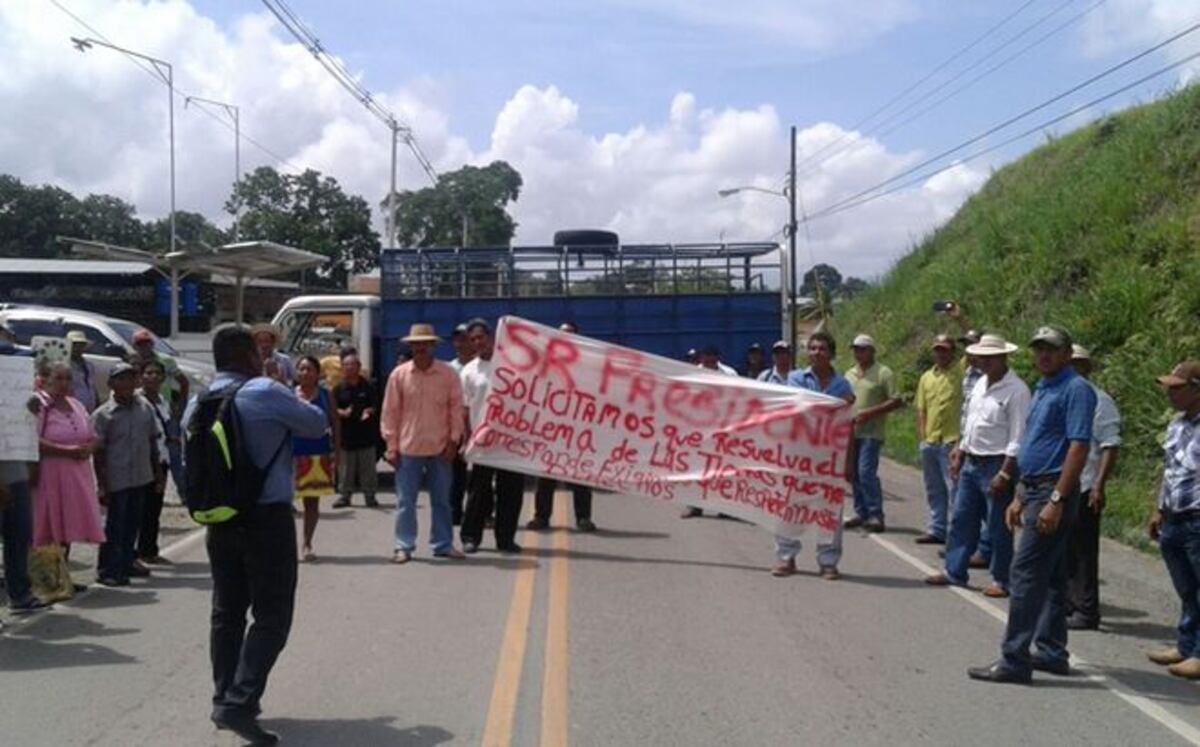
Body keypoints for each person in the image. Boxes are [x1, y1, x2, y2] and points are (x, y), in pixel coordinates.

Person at [189, 327, 328, 744]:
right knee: (272, 616)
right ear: (249, 355)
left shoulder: (199, 400)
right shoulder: (265, 390)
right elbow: (316, 424)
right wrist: (283, 387)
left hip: (220, 519)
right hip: (266, 518)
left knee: (226, 612)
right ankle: (240, 701)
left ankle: (223, 697)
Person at [968, 326, 1096, 684]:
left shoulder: (1076, 389)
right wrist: (1020, 492)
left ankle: (1014, 659)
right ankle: (1052, 651)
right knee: (1052, 576)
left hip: (1052, 492)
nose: (1044, 355)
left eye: (1052, 350)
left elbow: (1078, 447)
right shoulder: (1044, 386)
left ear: (1067, 353)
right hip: (1034, 488)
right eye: (1039, 349)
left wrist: (1056, 499)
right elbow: (1036, 442)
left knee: (1023, 574)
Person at [926, 334, 1030, 597]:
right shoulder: (980, 383)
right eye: (981, 357)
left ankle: (1000, 579)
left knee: (997, 525)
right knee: (962, 518)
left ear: (1002, 357)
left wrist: (1006, 472)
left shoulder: (1017, 390)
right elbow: (969, 423)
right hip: (972, 460)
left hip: (996, 463)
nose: (983, 362)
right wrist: (960, 450)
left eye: (989, 357)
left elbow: (1018, 436)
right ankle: (955, 571)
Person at [773, 331, 855, 580]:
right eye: (812, 348)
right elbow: (800, 408)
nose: (817, 352)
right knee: (790, 507)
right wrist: (836, 404)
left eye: (822, 348)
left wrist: (848, 461)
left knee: (829, 511)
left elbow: (847, 423)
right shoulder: (796, 379)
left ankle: (828, 561)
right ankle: (786, 558)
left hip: (830, 458)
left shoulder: (842, 385)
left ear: (831, 353)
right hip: (798, 454)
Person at [381, 324, 465, 563]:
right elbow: (390, 413)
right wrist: (391, 446)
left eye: (425, 344)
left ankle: (443, 544)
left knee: (442, 501)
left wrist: (453, 441)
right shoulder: (399, 375)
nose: (420, 348)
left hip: (440, 447)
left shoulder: (448, 374)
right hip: (409, 448)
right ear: (411, 346)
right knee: (406, 501)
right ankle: (404, 545)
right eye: (416, 344)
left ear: (433, 346)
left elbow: (456, 410)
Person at [1146, 361, 1200, 681]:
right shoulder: (1178, 424)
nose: (1170, 394)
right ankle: (1186, 644)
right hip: (1174, 516)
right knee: (1186, 588)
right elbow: (1169, 470)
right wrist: (1158, 509)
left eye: (1177, 388)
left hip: (1197, 518)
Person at [91, 363, 163, 587]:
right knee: (114, 525)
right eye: (121, 379)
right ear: (111, 384)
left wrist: (158, 474)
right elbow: (98, 453)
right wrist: (102, 485)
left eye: (131, 378)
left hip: (141, 476)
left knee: (133, 523)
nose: (127, 384)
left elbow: (153, 442)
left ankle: (126, 563)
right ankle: (107, 569)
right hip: (117, 479)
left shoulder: (145, 408)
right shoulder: (103, 415)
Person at [1065, 345, 1121, 630]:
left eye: (1077, 364)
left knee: (1084, 551)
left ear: (1085, 367)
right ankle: (1069, 602)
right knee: (1065, 548)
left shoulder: (1099, 400)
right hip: (1064, 484)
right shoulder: (1064, 396)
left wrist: (1099, 485)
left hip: (1087, 483)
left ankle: (1087, 610)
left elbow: (1110, 445)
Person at [460, 319, 525, 554]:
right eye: (473, 339)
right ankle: (471, 537)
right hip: (481, 442)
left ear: (492, 338)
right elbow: (465, 409)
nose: (478, 343)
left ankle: (506, 539)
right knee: (478, 492)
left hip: (509, 442)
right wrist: (466, 439)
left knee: (511, 492)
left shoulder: (514, 366)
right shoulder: (469, 371)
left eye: (481, 337)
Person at [32, 362, 105, 559]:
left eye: (67, 378)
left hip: (77, 475)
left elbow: (93, 435)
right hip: (50, 474)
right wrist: (65, 451)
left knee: (68, 524)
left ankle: (63, 575)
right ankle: (48, 581)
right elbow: (32, 440)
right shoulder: (39, 405)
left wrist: (90, 447)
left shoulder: (77, 405)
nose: (64, 383)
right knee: (48, 525)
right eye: (58, 378)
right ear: (45, 379)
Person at [1, 325, 51, 614]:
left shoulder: (19, 391)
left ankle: (19, 594)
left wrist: (28, 412)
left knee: (19, 535)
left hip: (16, 473)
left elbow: (23, 435)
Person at [529, 322, 596, 533]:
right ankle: (541, 516)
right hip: (551, 429)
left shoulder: (588, 365)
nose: (565, 337)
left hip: (577, 429)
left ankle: (583, 517)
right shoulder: (547, 365)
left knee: (579, 476)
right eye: (561, 334)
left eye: (569, 334)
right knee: (545, 476)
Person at [843, 335, 902, 533]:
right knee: (852, 473)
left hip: (871, 432)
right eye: (856, 349)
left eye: (863, 349)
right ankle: (861, 512)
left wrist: (870, 413)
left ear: (872, 351)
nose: (859, 353)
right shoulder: (849, 374)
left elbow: (896, 400)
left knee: (866, 472)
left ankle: (876, 513)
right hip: (851, 431)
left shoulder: (883, 373)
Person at [914, 334, 962, 545]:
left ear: (952, 352)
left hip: (952, 440)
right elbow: (921, 410)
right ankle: (937, 529)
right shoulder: (926, 377)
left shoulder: (961, 372)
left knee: (954, 489)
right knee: (934, 488)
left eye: (945, 349)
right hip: (931, 440)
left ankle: (955, 533)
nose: (940, 353)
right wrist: (923, 437)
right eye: (937, 349)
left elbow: (976, 347)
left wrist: (959, 319)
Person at [293, 356, 339, 562]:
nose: (305, 373)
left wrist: (336, 453)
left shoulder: (326, 395)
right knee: (283, 503)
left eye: (309, 369)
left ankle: (307, 543)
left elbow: (336, 424)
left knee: (311, 503)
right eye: (301, 369)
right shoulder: (288, 395)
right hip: (291, 455)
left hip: (317, 455)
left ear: (317, 373)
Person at [136, 358, 175, 566]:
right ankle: (139, 551)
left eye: (157, 374)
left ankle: (149, 549)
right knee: (142, 507)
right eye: (148, 373)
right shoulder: (137, 401)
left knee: (154, 507)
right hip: (144, 459)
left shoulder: (162, 400)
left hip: (162, 456)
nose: (152, 377)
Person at [332, 352, 379, 509]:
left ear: (359, 367)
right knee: (345, 470)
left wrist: (369, 411)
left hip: (366, 434)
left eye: (353, 364)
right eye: (346, 365)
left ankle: (370, 496)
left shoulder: (369, 386)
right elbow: (332, 410)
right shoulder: (338, 389)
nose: (349, 367)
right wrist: (342, 412)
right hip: (346, 435)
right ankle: (345, 496)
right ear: (342, 368)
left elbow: (376, 406)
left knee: (368, 468)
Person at [447, 323, 474, 524]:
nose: (460, 343)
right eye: (457, 339)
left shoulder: (481, 367)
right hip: (455, 427)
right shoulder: (449, 369)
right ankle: (454, 513)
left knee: (480, 476)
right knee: (455, 475)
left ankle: (482, 513)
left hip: (478, 427)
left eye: (464, 338)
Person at [66, 330, 100, 413]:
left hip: (88, 410)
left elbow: (92, 386)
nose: (77, 348)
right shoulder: (65, 366)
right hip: (72, 409)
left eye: (80, 345)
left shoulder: (89, 366)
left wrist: (97, 403)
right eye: (75, 345)